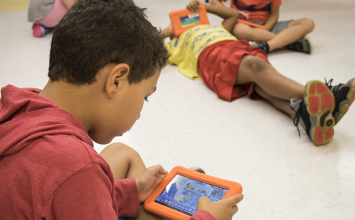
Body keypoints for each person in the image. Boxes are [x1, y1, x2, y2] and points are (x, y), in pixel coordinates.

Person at [0, 0, 243, 220]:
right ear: (116, 80)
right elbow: (72, 181)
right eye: (145, 97)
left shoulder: (23, 103)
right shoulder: (77, 168)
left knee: (121, 153)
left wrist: (130, 192)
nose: (139, 112)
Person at [161, 0, 354, 146]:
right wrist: (169, 31)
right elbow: (151, 47)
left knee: (261, 86)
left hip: (235, 46)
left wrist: (205, 8)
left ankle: (307, 119)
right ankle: (324, 96)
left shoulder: (216, 28)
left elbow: (231, 15)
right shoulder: (175, 45)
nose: (189, 23)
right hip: (212, 54)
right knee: (256, 67)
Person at [209, 0, 315, 54]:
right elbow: (213, 1)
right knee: (238, 29)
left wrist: (264, 30)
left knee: (308, 23)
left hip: (267, 25)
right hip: (242, 24)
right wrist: (233, 13)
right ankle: (288, 41)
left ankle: (268, 45)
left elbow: (274, 15)